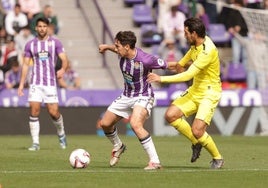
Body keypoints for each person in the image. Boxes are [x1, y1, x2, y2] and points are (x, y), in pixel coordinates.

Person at [147, 17, 224, 169]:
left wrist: (161, 78)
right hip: (196, 90)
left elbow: (188, 75)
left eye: (186, 32)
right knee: (170, 115)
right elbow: (189, 55)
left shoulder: (208, 51)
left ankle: (218, 158)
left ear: (194, 33)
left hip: (209, 93)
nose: (184, 35)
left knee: (197, 130)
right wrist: (180, 63)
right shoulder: (197, 44)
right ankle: (196, 142)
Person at [98, 31, 168, 170]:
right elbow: (115, 48)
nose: (116, 48)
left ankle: (155, 161)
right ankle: (118, 146)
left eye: (117, 46)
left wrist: (186, 64)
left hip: (143, 95)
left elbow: (167, 64)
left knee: (135, 124)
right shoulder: (123, 51)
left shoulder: (146, 59)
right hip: (126, 95)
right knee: (105, 124)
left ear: (127, 47)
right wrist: (106, 46)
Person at [17, 17, 68, 151]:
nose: (42, 29)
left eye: (44, 26)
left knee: (54, 113)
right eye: (39, 26)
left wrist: (63, 69)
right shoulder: (30, 45)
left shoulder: (55, 43)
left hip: (50, 83)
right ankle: (35, 143)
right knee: (34, 111)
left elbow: (64, 59)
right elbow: (26, 65)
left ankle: (61, 133)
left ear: (48, 27)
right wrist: (22, 84)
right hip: (35, 83)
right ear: (36, 28)